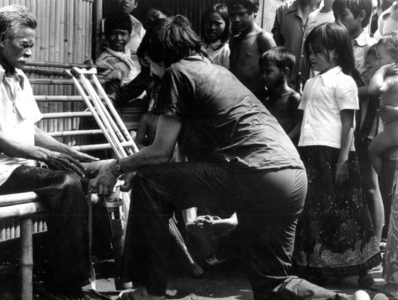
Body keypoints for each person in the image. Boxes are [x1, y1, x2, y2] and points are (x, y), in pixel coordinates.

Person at [90, 16, 352, 300]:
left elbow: (160, 151)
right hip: (291, 177)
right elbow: (173, 155)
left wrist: (115, 167)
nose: (151, 73)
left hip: (255, 173)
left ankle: (149, 293)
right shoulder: (218, 73)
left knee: (150, 182)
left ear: (160, 56)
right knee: (272, 284)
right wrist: (140, 165)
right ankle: (349, 299)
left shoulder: (177, 72)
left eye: (150, 64)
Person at [0, 5, 100, 300]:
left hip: (19, 168)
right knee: (65, 183)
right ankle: (67, 288)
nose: (29, 53)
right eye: (25, 45)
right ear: (1, 40)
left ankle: (83, 275)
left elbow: (32, 132)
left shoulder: (19, 77)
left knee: (83, 178)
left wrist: (72, 154)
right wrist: (44, 156)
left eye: (31, 46)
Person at [293, 22, 381, 288]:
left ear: (337, 51)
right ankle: (318, 267)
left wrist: (343, 160)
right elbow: (302, 121)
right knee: (314, 210)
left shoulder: (344, 82)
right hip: (309, 151)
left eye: (318, 51)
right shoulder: (309, 83)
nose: (312, 57)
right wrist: (286, 143)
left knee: (346, 210)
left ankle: (360, 268)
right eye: (310, 52)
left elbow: (349, 124)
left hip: (335, 154)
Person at [333, 0, 385, 251]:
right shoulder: (334, 43)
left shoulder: (373, 49)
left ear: (362, 15)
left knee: (369, 184)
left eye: (342, 15)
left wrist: (346, 91)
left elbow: (378, 91)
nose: (337, 20)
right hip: (338, 124)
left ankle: (373, 247)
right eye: (335, 14)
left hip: (365, 125)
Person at [228, 0, 276, 99]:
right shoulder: (234, 40)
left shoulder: (263, 38)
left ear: (255, 11)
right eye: (232, 15)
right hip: (235, 97)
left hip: (256, 97)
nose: (236, 19)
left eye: (241, 14)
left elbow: (276, 70)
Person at [272, 0, 321, 93]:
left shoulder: (330, 11)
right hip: (287, 88)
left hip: (318, 89)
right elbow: (276, 50)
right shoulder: (283, 11)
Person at [368, 32, 398, 175]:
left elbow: (374, 89)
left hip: (392, 134)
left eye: (380, 58)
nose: (378, 62)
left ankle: (383, 178)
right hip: (392, 131)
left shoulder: (392, 79)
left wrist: (382, 70)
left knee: (372, 151)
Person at [259, 47, 302, 144]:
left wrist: (285, 141)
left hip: (286, 149)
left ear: (285, 72)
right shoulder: (266, 100)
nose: (263, 76)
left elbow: (300, 125)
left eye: (268, 71)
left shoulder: (293, 98)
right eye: (261, 72)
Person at [96, 12, 138, 94]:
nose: (118, 38)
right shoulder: (103, 61)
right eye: (113, 33)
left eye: (123, 34)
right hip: (117, 103)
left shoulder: (136, 56)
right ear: (106, 35)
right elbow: (100, 89)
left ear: (130, 35)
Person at [201, 3, 231, 69]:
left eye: (217, 23)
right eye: (208, 22)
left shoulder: (225, 50)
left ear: (226, 25)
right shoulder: (201, 46)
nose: (212, 27)